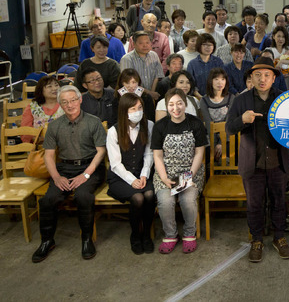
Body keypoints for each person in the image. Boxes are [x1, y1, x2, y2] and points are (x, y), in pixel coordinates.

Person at [226, 57, 289, 263]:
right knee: (254, 204)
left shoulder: (284, 99)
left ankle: (279, 236)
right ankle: (256, 240)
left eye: (266, 75)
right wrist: (242, 120)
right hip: (252, 162)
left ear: (273, 78)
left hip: (277, 161)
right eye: (257, 75)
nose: (262, 79)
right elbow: (229, 128)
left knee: (279, 201)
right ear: (251, 78)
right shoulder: (241, 100)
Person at [32, 85, 107, 263]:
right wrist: (57, 177)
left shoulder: (93, 121)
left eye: (73, 100)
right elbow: (49, 155)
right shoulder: (55, 126)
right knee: (48, 199)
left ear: (80, 100)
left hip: (90, 167)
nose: (70, 105)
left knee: (82, 195)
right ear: (60, 105)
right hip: (64, 168)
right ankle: (47, 240)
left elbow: (101, 151)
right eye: (64, 102)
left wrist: (85, 175)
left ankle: (87, 239)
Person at [152, 88, 208, 254]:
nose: (175, 108)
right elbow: (157, 156)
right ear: (166, 106)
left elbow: (199, 152)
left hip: (191, 172)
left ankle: (189, 233)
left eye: (179, 103)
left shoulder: (195, 123)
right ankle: (170, 235)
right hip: (166, 173)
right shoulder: (160, 126)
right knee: (165, 201)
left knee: (188, 200)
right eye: (171, 104)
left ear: (185, 104)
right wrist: (163, 177)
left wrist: (189, 175)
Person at [106, 93, 155, 254]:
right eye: (133, 109)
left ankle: (147, 235)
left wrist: (144, 175)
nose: (137, 111)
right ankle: (135, 235)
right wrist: (131, 180)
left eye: (140, 108)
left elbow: (149, 153)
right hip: (120, 177)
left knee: (149, 195)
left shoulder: (149, 125)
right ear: (124, 111)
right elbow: (115, 164)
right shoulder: (113, 131)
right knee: (137, 197)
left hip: (142, 172)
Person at [119, 31, 164, 100]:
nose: (145, 45)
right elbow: (128, 83)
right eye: (141, 43)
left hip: (153, 95)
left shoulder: (154, 55)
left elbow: (157, 76)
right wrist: (149, 93)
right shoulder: (127, 59)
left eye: (147, 42)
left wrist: (152, 92)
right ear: (134, 44)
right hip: (134, 96)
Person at [201, 68, 235, 156]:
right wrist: (214, 144)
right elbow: (209, 125)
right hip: (211, 137)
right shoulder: (204, 100)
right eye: (216, 79)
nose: (220, 82)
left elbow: (229, 122)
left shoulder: (231, 98)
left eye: (222, 79)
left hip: (227, 136)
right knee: (209, 152)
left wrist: (221, 143)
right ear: (210, 81)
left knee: (227, 152)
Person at [20, 75, 63, 142]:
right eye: (49, 86)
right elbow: (25, 132)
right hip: (39, 147)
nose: (54, 88)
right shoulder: (32, 107)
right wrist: (38, 140)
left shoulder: (66, 103)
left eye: (56, 85)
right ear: (41, 90)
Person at [187, 32, 224, 96]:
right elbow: (191, 85)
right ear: (199, 45)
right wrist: (200, 98)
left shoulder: (218, 62)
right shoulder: (192, 64)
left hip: (217, 97)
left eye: (210, 45)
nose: (208, 47)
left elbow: (223, 80)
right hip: (198, 98)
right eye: (205, 45)